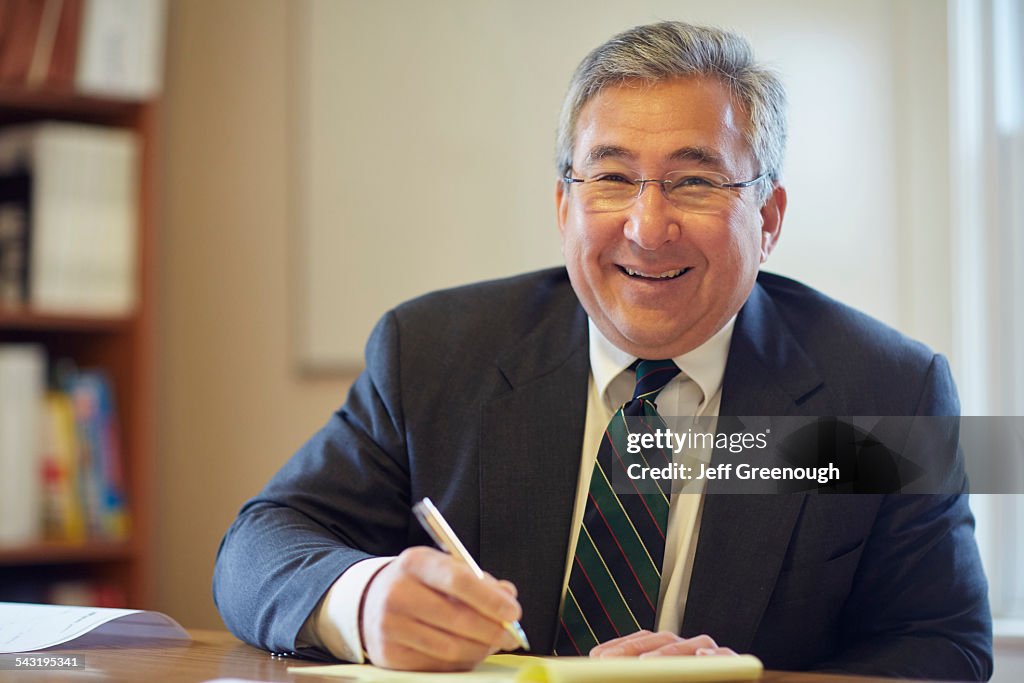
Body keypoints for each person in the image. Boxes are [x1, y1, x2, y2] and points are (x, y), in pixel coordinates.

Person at [213, 21, 993, 680]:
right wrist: (363, 597)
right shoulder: (433, 354)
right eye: (612, 178)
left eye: (694, 182)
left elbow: (945, 648)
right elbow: (258, 546)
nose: (648, 228)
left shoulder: (886, 390)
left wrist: (736, 681)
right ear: (564, 206)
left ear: (770, 217)